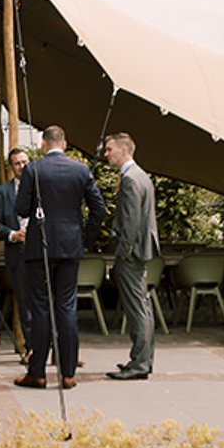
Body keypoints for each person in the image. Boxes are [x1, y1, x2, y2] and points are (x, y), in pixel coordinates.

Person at [14, 126, 105, 391]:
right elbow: (99, 209)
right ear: (64, 144)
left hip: (39, 247)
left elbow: (21, 208)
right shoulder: (81, 170)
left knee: (41, 308)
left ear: (43, 144)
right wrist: (84, 237)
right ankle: (68, 374)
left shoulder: (33, 169)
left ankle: (38, 373)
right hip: (70, 245)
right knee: (66, 307)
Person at [102, 132, 160, 382]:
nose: (106, 154)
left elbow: (131, 220)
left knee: (137, 308)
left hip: (132, 253)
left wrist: (124, 252)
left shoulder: (130, 179)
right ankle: (141, 359)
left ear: (124, 150)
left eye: (109, 149)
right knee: (142, 306)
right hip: (140, 250)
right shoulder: (141, 176)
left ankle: (139, 364)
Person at [0, 147, 32, 356]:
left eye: (25, 162)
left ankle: (55, 347)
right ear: (11, 167)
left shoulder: (42, 188)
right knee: (24, 304)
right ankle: (31, 348)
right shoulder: (2, 193)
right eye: (17, 163)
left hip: (42, 253)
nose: (22, 166)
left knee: (47, 302)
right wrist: (13, 235)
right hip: (18, 253)